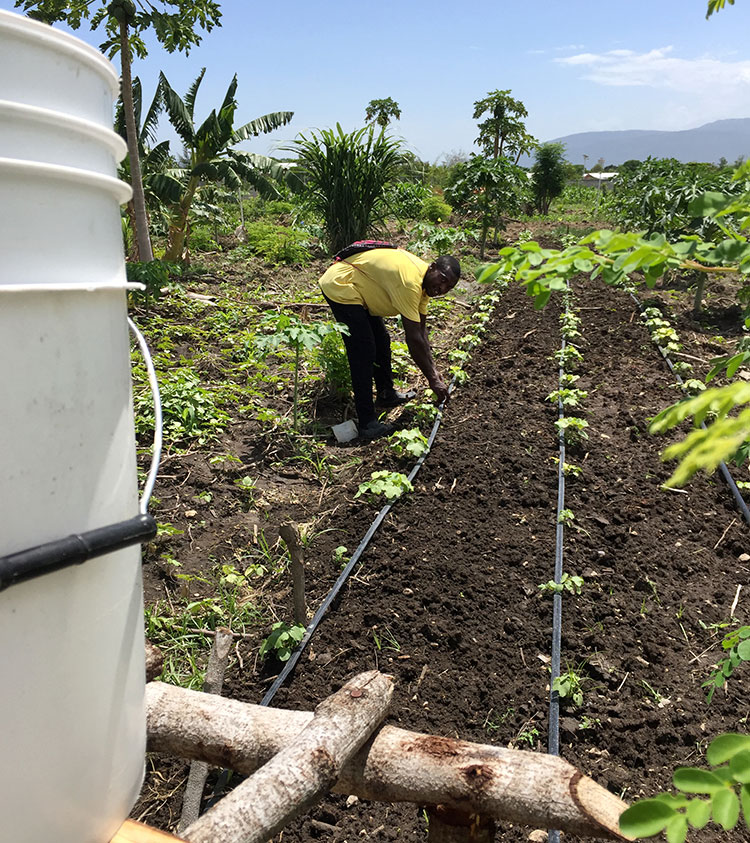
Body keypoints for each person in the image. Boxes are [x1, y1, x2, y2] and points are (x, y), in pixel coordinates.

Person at [319, 245, 461, 439]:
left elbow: (421, 332)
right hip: (341, 285)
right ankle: (367, 422)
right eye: (442, 280)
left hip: (362, 291)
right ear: (433, 267)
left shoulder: (425, 287)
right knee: (364, 350)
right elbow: (413, 338)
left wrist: (434, 372)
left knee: (382, 341)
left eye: (449, 287)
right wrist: (433, 380)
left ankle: (386, 394)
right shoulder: (411, 281)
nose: (442, 289)